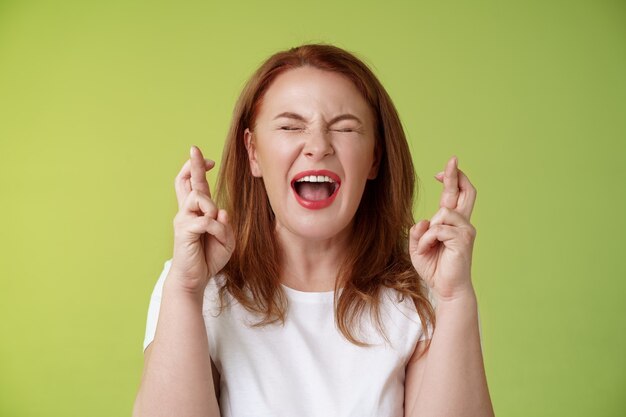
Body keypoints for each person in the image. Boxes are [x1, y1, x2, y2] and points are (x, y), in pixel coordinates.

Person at [132, 43, 494, 417]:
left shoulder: (426, 292)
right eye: (290, 126)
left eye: (345, 128)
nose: (318, 147)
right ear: (253, 153)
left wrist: (454, 298)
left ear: (375, 158)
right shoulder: (194, 286)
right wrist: (186, 288)